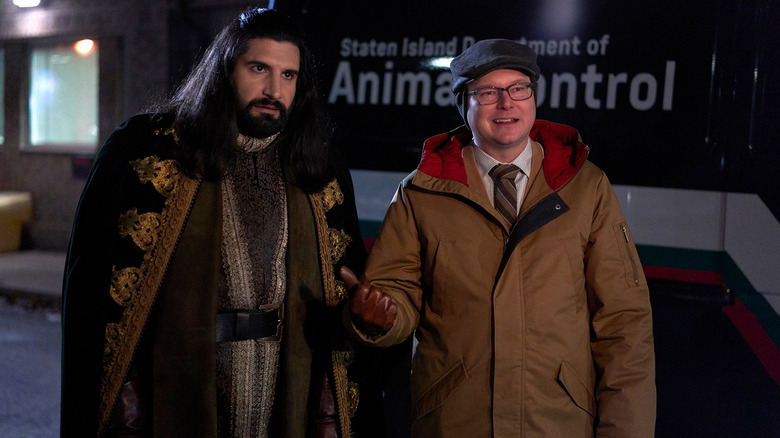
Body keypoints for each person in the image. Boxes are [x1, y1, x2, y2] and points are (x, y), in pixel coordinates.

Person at [61, 8, 387, 438]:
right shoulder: (147, 152)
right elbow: (95, 296)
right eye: (259, 68)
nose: (274, 90)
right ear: (226, 69)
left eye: (288, 75)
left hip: (284, 386)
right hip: (180, 385)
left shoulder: (319, 168)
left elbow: (341, 298)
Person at [340, 39, 656, 437]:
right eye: (487, 93)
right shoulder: (421, 192)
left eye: (518, 88)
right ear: (464, 105)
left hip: (556, 424)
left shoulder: (585, 186)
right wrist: (382, 317)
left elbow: (624, 325)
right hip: (455, 423)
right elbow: (395, 292)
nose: (506, 103)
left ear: (533, 97)